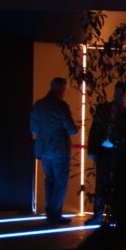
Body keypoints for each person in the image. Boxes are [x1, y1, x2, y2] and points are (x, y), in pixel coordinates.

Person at [86, 82, 126, 226]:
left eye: (120, 93)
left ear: (125, 95)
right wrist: (92, 150)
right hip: (107, 151)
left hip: (120, 152)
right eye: (117, 93)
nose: (118, 96)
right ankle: (100, 215)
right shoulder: (104, 109)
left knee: (118, 184)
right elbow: (95, 129)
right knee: (102, 184)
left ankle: (115, 215)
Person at [29, 77, 78, 223]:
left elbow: (33, 129)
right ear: (62, 89)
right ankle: (54, 213)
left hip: (43, 149)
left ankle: (50, 212)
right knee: (61, 182)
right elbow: (72, 130)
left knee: (49, 180)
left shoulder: (38, 105)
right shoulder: (61, 106)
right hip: (59, 150)